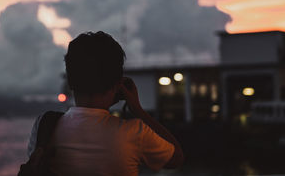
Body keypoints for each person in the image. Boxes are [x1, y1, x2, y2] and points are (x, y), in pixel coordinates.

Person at [27, 31, 184, 175]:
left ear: (70, 82)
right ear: (118, 84)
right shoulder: (136, 133)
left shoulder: (45, 126)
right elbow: (176, 158)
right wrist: (138, 110)